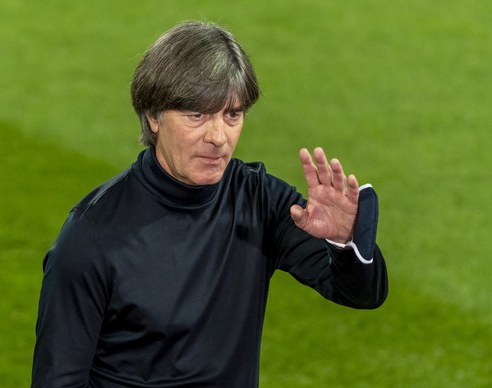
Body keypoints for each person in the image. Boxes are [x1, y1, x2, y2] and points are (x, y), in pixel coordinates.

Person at [32, 20, 388, 387]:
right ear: (154, 117)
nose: (218, 137)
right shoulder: (90, 237)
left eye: (232, 115)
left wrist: (344, 243)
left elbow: (361, 295)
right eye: (197, 115)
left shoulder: (260, 200)